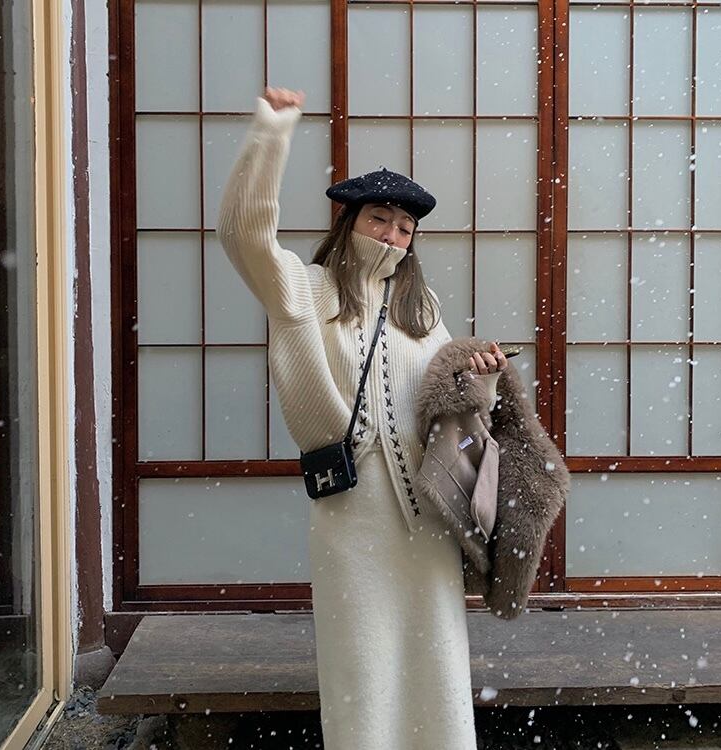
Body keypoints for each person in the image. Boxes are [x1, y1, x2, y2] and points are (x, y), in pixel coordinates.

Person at [217, 85, 508, 750]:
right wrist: (272, 133)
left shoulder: (421, 309)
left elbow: (455, 410)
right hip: (352, 512)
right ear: (349, 220)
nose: (393, 235)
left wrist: (485, 381)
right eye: (380, 219)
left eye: (405, 228)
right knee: (361, 665)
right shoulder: (304, 288)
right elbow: (241, 233)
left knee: (436, 659)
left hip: (427, 514)